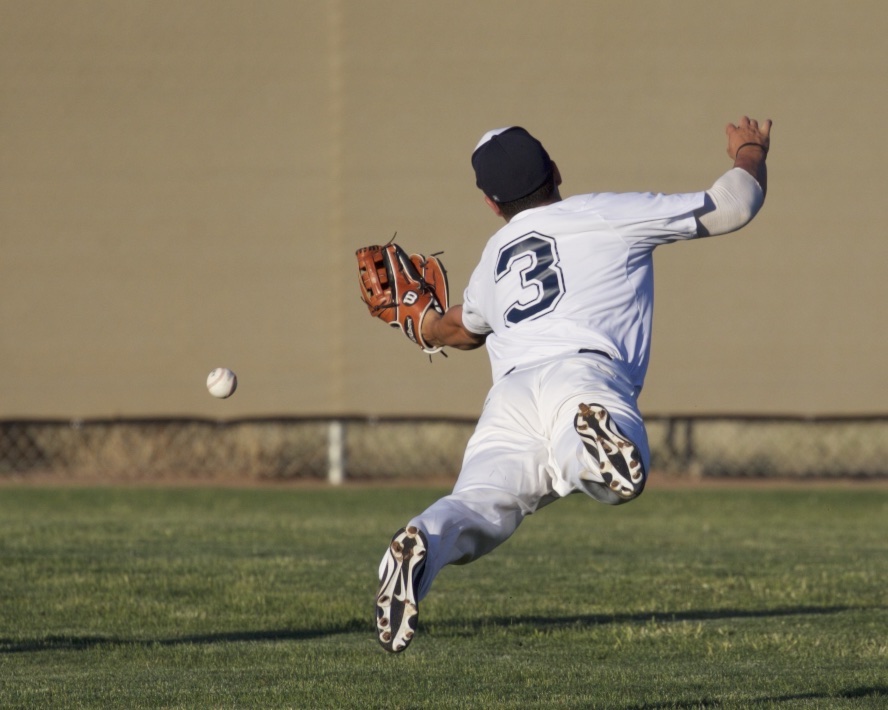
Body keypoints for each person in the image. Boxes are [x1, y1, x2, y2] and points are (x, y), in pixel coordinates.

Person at [375, 117, 772, 653]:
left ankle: (424, 536)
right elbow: (734, 204)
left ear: (492, 204)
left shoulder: (495, 257)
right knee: (614, 478)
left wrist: (419, 323)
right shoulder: (606, 213)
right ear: (556, 171)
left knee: (479, 505)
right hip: (582, 375)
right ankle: (590, 448)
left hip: (510, 398)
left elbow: (458, 331)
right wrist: (749, 151)